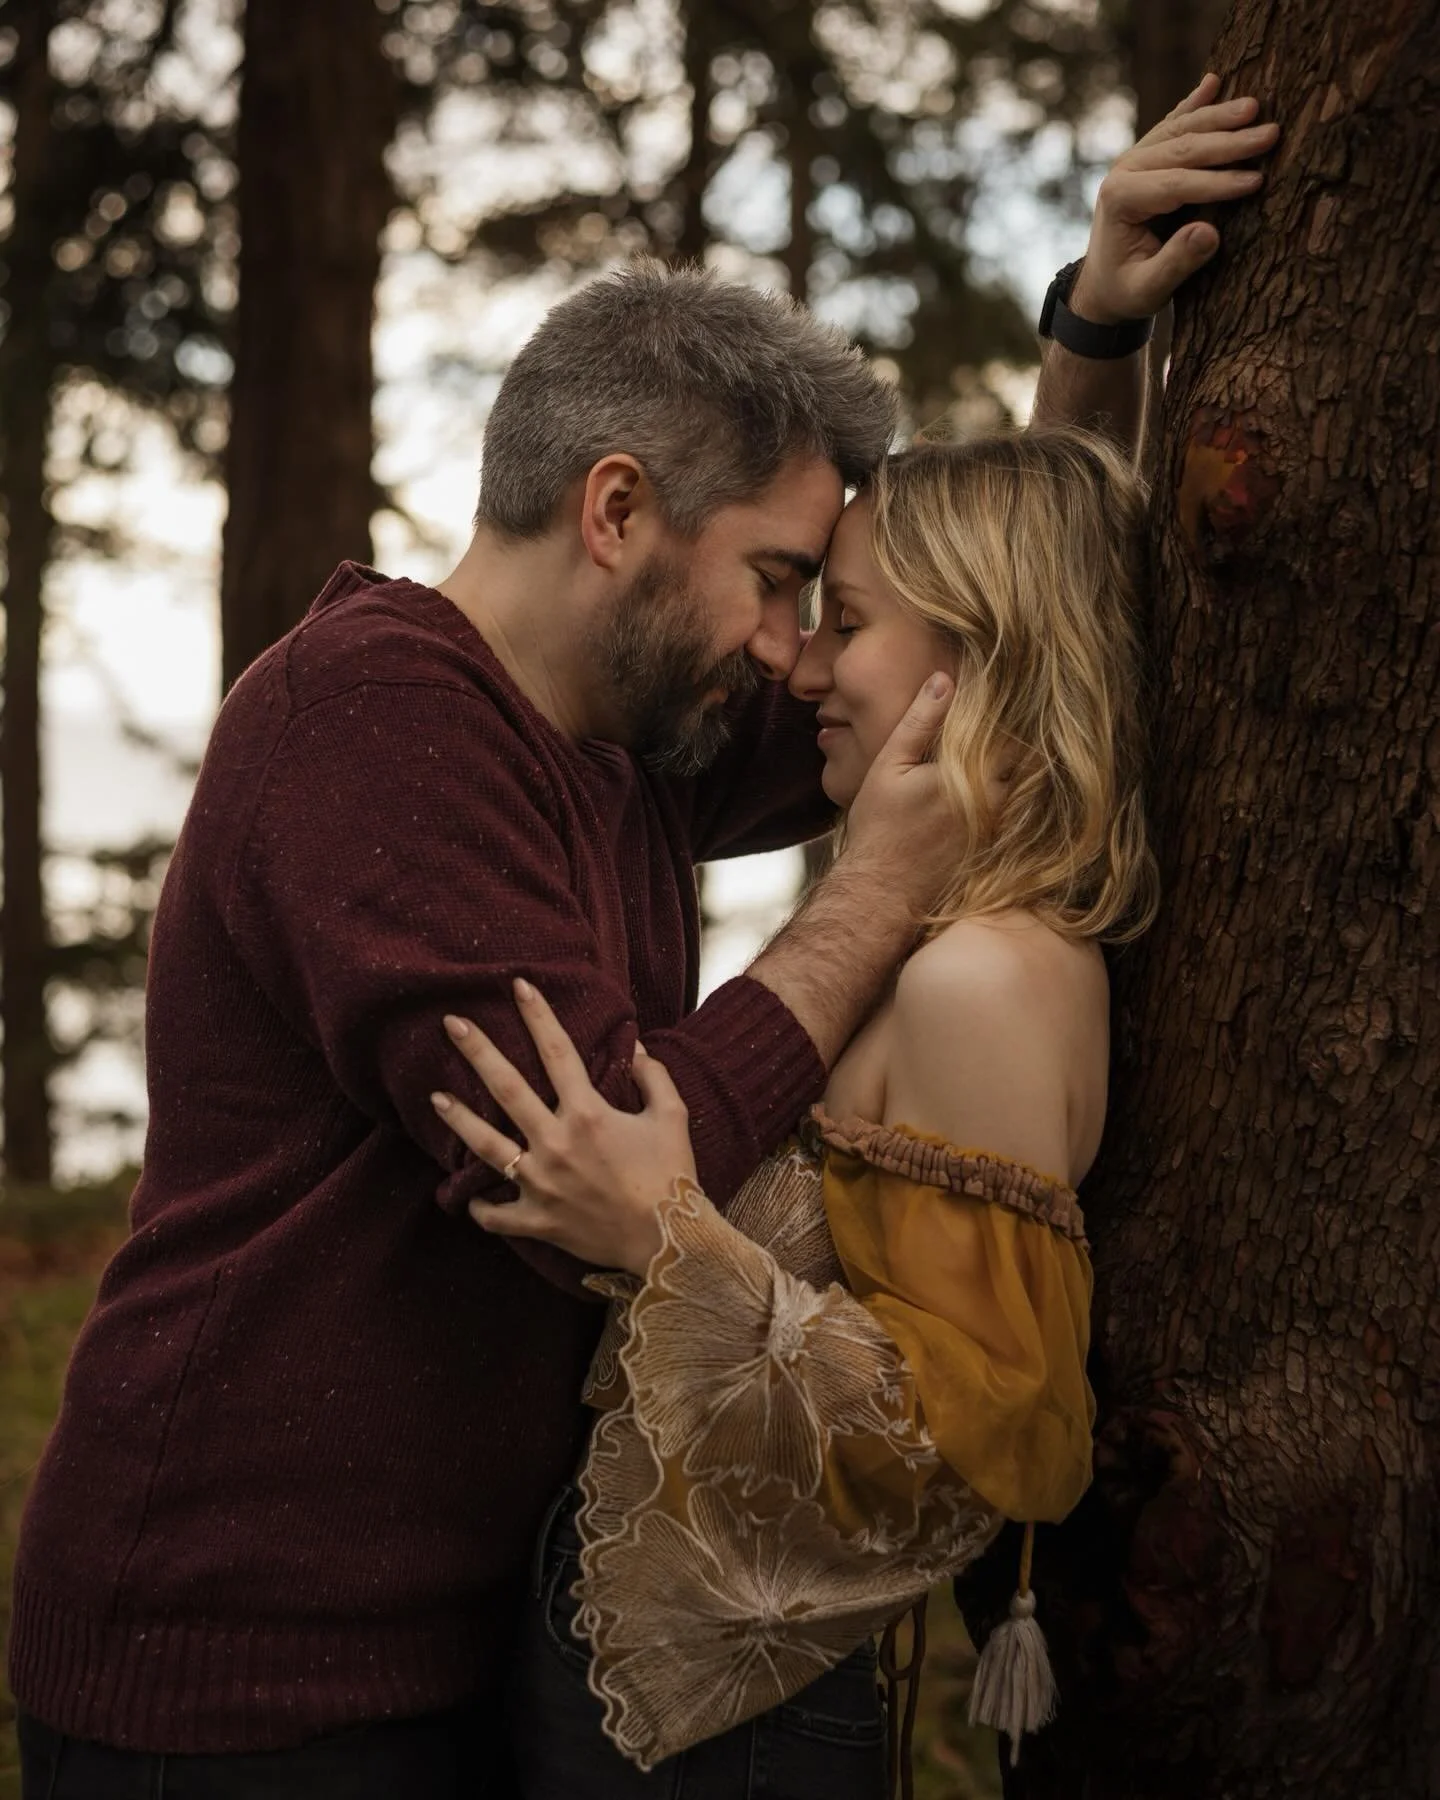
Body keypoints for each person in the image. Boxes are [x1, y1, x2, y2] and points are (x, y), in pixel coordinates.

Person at [10, 76, 1276, 1800]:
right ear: (615, 513)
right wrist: (873, 895)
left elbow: (981, 643)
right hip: (248, 1672)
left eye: (813, 602)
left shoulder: (634, 738)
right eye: (775, 578)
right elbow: (601, 1161)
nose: (788, 647)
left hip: (472, 1645)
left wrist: (1096, 336)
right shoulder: (374, 728)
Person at [433, 425, 1155, 1798]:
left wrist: (665, 1241)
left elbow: (974, 1443)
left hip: (726, 1726)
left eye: (849, 623)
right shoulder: (951, 947)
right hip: (660, 1675)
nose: (805, 668)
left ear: (982, 654)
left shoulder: (984, 983)